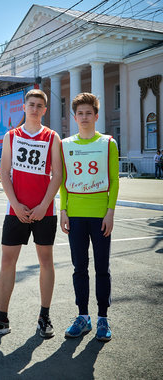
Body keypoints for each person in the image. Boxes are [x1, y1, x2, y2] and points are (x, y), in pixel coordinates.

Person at [0, 89, 62, 340]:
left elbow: (57, 175)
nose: (34, 109)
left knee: (46, 261)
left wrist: (43, 205)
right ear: (24, 107)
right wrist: (15, 204)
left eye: (39, 106)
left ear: (44, 110)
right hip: (16, 210)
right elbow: (4, 174)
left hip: (44, 210)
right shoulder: (11, 136)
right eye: (31, 104)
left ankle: (44, 317)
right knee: (6, 262)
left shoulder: (52, 137)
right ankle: (1, 319)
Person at [60, 92, 119, 342]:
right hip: (75, 215)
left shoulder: (108, 143)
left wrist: (110, 212)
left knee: (102, 268)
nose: (84, 117)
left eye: (88, 113)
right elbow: (63, 181)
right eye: (80, 113)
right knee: (79, 268)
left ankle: (103, 318)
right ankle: (83, 317)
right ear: (74, 117)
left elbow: (114, 180)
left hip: (99, 216)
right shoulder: (65, 145)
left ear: (96, 115)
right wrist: (63, 210)